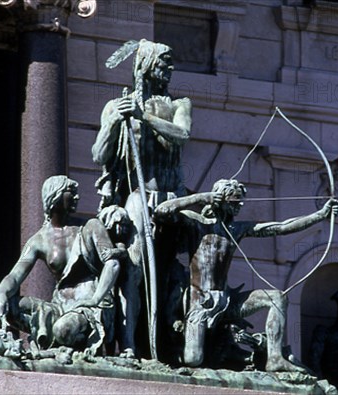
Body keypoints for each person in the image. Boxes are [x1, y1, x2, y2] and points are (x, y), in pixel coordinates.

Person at [153, 178, 338, 372]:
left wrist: (320, 215)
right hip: (200, 302)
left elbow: (282, 227)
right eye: (235, 200)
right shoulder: (196, 223)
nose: (240, 205)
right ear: (220, 199)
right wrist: (201, 197)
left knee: (276, 297)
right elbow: (161, 211)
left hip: (227, 302)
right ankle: (169, 353)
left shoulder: (237, 229)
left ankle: (275, 358)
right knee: (193, 359)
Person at [91, 39, 192, 358]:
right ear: (146, 65)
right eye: (163, 63)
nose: (169, 69)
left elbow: (182, 136)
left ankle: (167, 341)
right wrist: (113, 122)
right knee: (134, 270)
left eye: (170, 63)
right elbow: (98, 154)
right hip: (137, 197)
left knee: (169, 270)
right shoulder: (117, 105)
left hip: (172, 197)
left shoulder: (179, 105)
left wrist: (144, 116)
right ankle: (130, 342)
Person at [0, 175, 126, 354]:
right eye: (71, 192)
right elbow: (15, 276)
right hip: (59, 305)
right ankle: (58, 342)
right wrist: (1, 293)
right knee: (11, 307)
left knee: (63, 330)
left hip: (90, 302)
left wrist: (95, 299)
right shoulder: (38, 240)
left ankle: (67, 344)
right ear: (55, 196)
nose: (77, 197)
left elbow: (112, 264)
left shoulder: (91, 227)